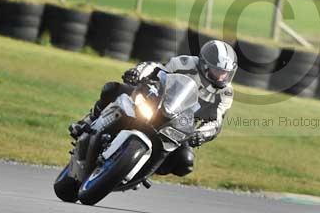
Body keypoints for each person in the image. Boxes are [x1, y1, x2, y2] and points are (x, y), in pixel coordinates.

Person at [69, 40, 237, 177]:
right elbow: (157, 68)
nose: (222, 76)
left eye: (226, 73)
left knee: (185, 162)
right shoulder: (186, 63)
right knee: (112, 89)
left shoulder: (226, 93)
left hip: (180, 125)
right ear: (205, 65)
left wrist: (200, 134)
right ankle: (88, 121)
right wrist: (138, 72)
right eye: (218, 71)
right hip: (157, 102)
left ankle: (141, 169)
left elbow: (216, 122)